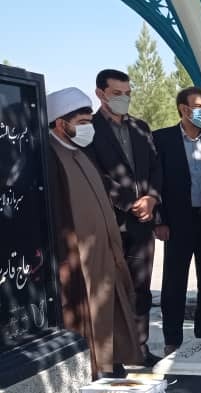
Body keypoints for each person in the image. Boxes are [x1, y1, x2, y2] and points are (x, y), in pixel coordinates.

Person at [45, 87, 142, 377]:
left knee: (110, 310)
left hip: (104, 254)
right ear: (61, 124)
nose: (88, 128)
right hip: (77, 260)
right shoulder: (50, 158)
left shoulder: (79, 153)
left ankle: (111, 362)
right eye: (82, 123)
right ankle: (93, 370)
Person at [87, 68, 162, 366]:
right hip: (111, 222)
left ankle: (140, 349)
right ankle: (114, 355)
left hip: (143, 222)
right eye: (117, 93)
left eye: (128, 93)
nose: (124, 98)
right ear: (100, 94)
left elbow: (156, 167)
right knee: (112, 290)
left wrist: (152, 198)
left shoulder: (141, 128)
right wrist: (131, 202)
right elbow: (94, 173)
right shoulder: (90, 129)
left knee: (141, 288)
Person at [153, 87, 201, 356]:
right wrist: (159, 220)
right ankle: (172, 340)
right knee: (174, 283)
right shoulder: (162, 139)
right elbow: (155, 181)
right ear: (183, 109)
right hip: (177, 221)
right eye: (198, 106)